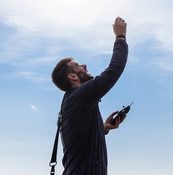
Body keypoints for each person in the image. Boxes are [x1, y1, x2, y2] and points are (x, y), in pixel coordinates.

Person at [51, 17, 128, 175]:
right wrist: (120, 37)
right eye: (78, 66)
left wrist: (103, 128)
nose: (84, 66)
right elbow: (114, 70)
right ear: (72, 77)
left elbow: (80, 141)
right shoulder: (78, 97)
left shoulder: (74, 102)